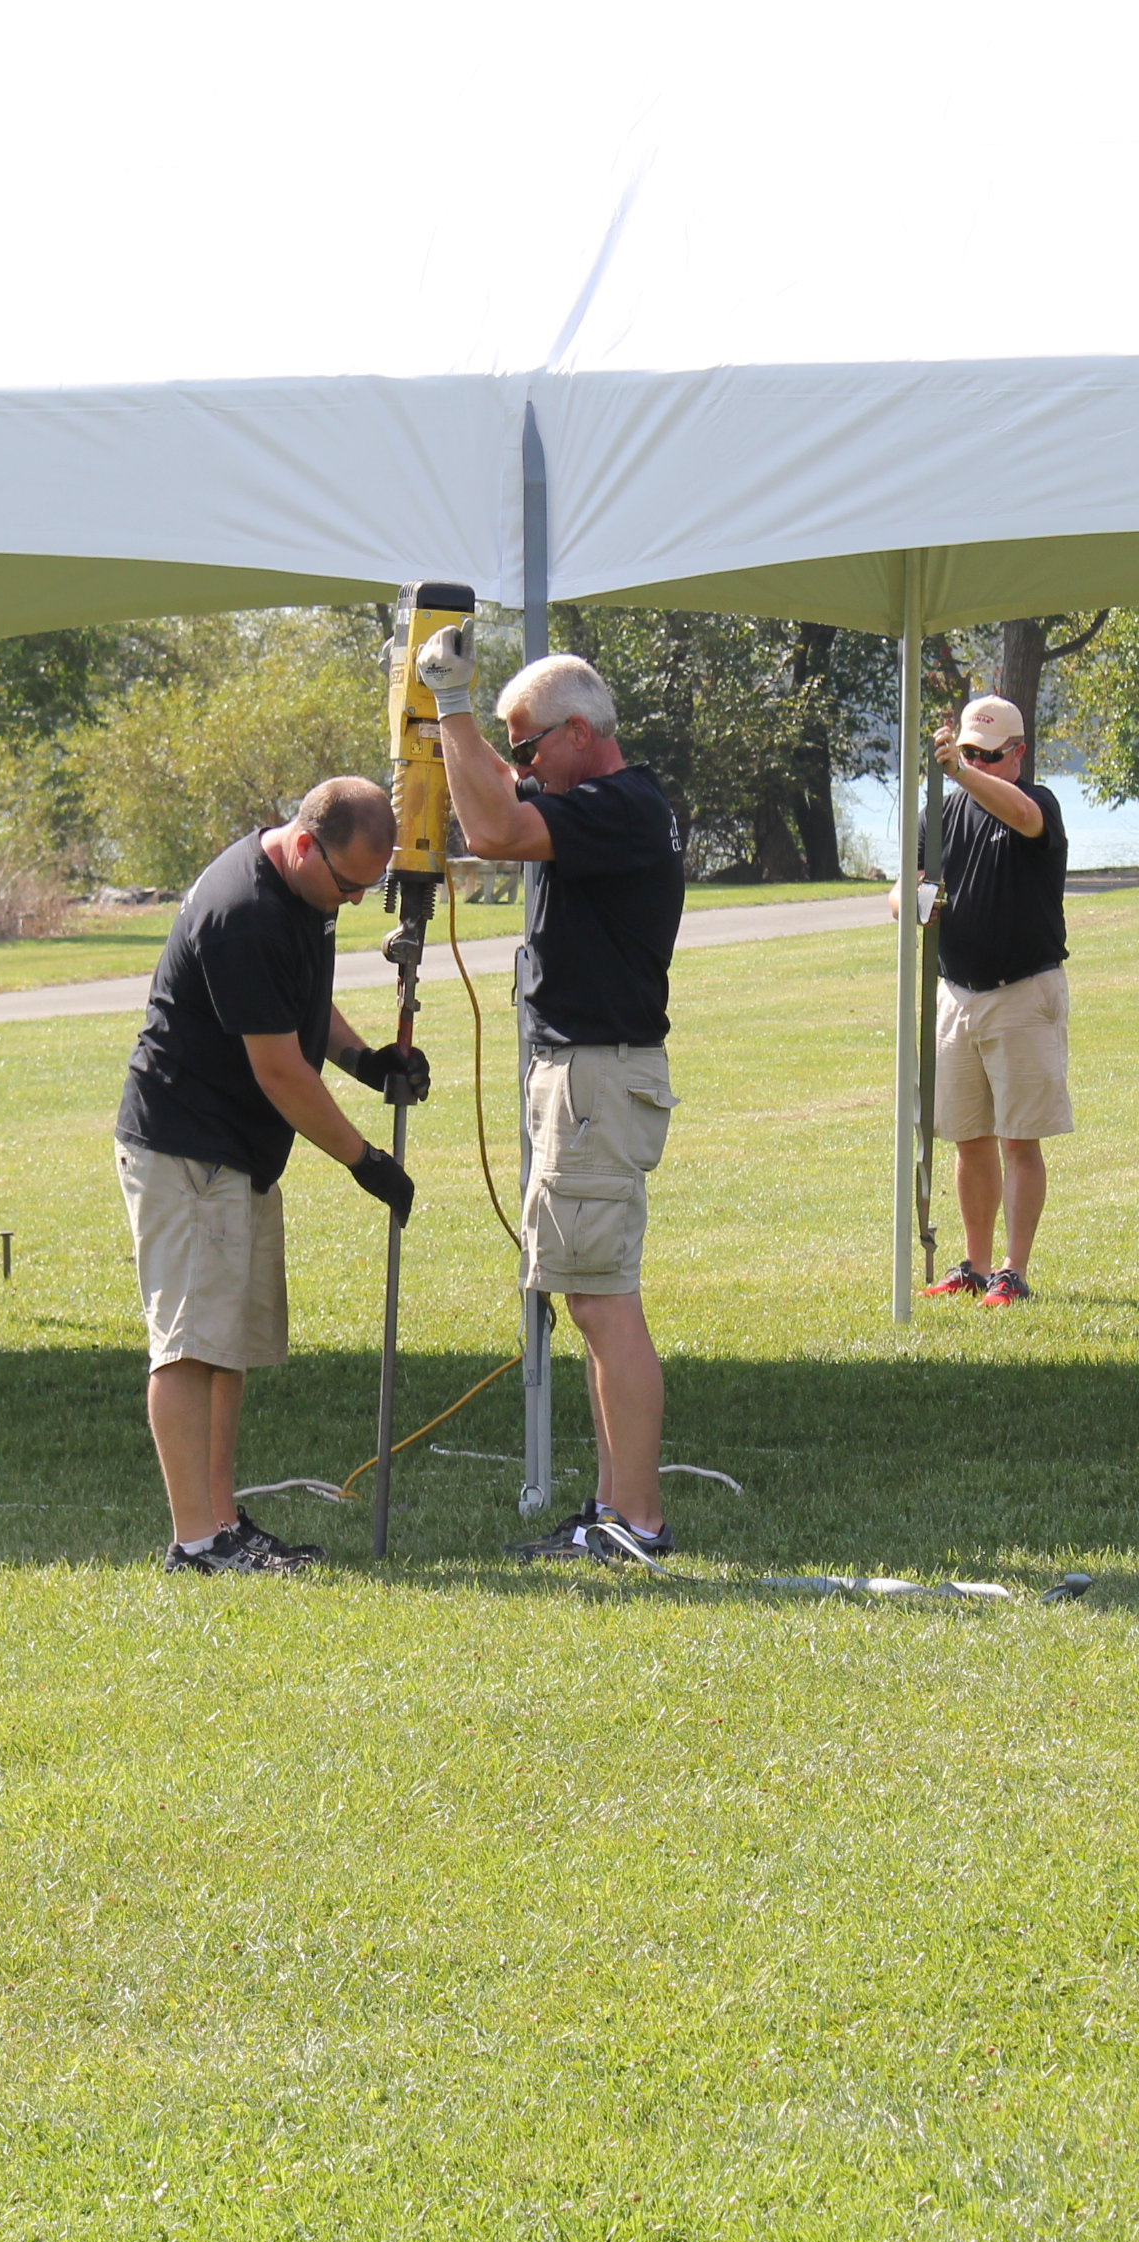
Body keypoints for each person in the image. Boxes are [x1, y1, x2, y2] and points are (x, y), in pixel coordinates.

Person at [113, 776, 430, 1573]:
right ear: (302, 844)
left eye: (368, 886)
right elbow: (280, 1070)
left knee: (226, 1342)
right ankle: (198, 1541)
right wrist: (367, 1162)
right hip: (186, 1144)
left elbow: (304, 1008)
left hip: (237, 1153)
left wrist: (367, 1061)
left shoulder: (304, 894)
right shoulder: (243, 911)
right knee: (187, 1345)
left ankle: (225, 1525)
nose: (355, 902)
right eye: (350, 884)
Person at [417, 633, 687, 1562]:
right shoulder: (591, 795)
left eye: (530, 748)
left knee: (606, 1303)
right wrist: (445, 717)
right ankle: (614, 1509)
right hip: (586, 1076)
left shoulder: (621, 805)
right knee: (588, 1299)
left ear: (580, 734)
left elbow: (491, 830)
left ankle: (636, 1520)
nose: (521, 766)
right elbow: (494, 789)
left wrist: (451, 701)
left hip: (598, 1079)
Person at [902, 693, 1070, 1305]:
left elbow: (1024, 817)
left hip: (1022, 992)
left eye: (988, 756)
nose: (974, 763)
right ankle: (972, 1264)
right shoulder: (940, 815)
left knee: (1019, 1140)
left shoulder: (1037, 803)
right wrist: (910, 903)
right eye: (967, 752)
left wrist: (962, 775)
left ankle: (1013, 1271)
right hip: (956, 993)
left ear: (1018, 754)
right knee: (968, 1138)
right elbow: (907, 884)